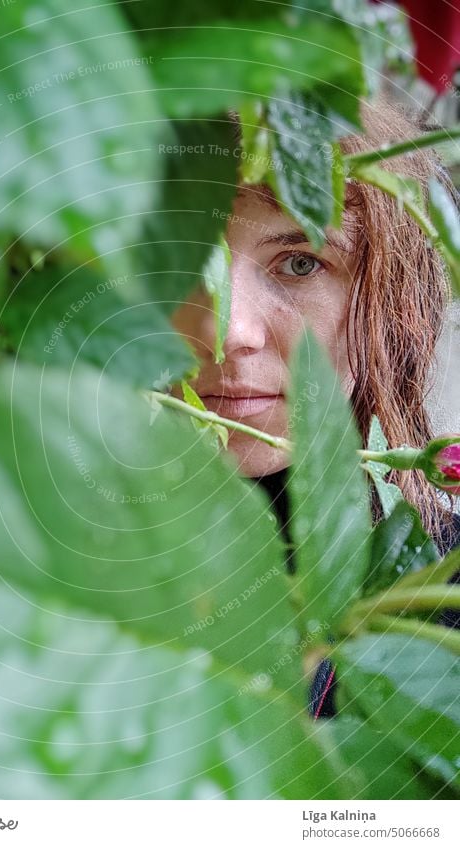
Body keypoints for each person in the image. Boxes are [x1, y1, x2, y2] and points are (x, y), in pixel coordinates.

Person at [170, 97, 460, 718]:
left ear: (386, 305)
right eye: (176, 259)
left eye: (300, 262)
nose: (228, 329)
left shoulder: (439, 590)